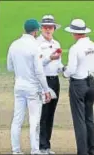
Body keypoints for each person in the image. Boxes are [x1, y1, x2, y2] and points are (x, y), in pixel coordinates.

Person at [7, 19, 51, 154]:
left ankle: (16, 150)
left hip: (19, 86)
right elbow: (39, 71)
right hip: (33, 88)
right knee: (34, 120)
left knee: (17, 119)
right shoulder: (35, 47)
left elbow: (9, 67)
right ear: (36, 31)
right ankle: (35, 150)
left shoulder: (14, 45)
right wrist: (46, 89)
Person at [63, 19, 94, 155]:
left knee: (79, 120)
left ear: (74, 33)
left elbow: (71, 70)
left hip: (78, 84)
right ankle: (92, 149)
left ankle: (82, 151)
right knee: (89, 118)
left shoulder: (75, 48)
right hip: (91, 83)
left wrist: (64, 71)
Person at [36, 15, 63, 154]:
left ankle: (46, 145)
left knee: (51, 113)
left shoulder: (56, 44)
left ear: (54, 28)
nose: (48, 29)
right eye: (45, 27)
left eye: (50, 27)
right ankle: (41, 145)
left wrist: (64, 69)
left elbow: (58, 64)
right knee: (43, 114)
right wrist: (49, 58)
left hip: (54, 80)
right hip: (42, 81)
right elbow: (37, 64)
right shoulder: (37, 43)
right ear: (41, 28)